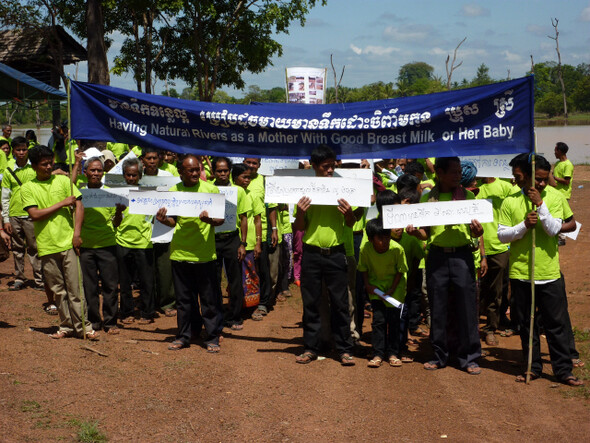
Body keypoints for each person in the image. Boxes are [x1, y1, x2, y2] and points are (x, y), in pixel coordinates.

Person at [498, 153, 583, 386]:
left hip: (549, 273)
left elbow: (555, 229)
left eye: (545, 180)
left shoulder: (555, 197)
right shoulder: (510, 200)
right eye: (538, 179)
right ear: (526, 176)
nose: (542, 184)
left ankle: (563, 370)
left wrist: (541, 205)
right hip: (521, 273)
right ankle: (531, 367)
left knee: (556, 325)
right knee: (527, 325)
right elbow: (502, 234)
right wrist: (523, 226)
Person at [408, 156, 483, 375]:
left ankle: (469, 357)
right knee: (437, 307)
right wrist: (415, 233)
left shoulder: (468, 197)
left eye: (460, 172)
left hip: (462, 257)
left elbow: (477, 232)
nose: (458, 176)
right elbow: (425, 233)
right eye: (454, 172)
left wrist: (478, 232)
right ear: (439, 173)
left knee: (467, 308)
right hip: (437, 258)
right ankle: (439, 355)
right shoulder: (427, 199)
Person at [21, 145, 98, 340]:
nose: (48, 167)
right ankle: (66, 326)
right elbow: (35, 214)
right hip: (46, 245)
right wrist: (61, 204)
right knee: (58, 290)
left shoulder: (64, 181)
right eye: (44, 164)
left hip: (68, 243)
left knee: (76, 288)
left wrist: (77, 234)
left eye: (50, 163)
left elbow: (79, 206)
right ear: (34, 166)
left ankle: (84, 328)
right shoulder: (28, 188)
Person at [293, 145, 356, 366]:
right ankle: (311, 347)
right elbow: (299, 227)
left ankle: (344, 349)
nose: (330, 170)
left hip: (336, 253)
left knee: (340, 303)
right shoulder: (305, 190)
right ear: (315, 167)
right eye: (326, 166)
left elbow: (351, 223)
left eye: (333, 165)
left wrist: (349, 214)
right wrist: (300, 212)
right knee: (311, 302)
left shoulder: (343, 187)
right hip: (311, 254)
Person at [156, 155, 224, 352]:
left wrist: (210, 220)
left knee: (209, 300)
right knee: (184, 301)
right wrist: (162, 220)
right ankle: (184, 336)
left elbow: (219, 220)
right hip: (180, 253)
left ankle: (212, 337)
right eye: (190, 170)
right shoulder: (174, 191)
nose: (195, 173)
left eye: (198, 169)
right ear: (180, 172)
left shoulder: (210, 190)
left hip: (204, 254)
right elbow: (173, 221)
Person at [78, 157, 120, 335]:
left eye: (99, 171)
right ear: (85, 172)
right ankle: (94, 321)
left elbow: (116, 223)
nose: (96, 174)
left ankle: (110, 323)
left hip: (107, 245)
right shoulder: (79, 193)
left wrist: (119, 211)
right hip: (86, 246)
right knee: (90, 287)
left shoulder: (109, 193)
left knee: (110, 286)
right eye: (92, 170)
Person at [358, 218, 408, 368]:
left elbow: (401, 271)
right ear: (371, 239)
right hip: (377, 289)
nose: (385, 241)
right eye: (380, 238)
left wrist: (392, 289)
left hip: (395, 288)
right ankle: (378, 353)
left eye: (387, 236)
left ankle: (393, 353)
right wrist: (367, 286)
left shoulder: (397, 249)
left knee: (394, 322)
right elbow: (364, 268)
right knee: (378, 321)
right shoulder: (365, 249)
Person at [114, 157, 156, 325]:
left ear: (140, 174)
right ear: (124, 175)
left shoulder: (149, 193)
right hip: (122, 242)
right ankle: (126, 312)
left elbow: (155, 218)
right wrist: (118, 211)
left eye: (134, 175)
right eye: (128, 175)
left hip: (144, 242)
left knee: (147, 282)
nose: (131, 178)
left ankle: (147, 313)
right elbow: (115, 223)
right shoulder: (117, 193)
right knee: (124, 283)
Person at [1, 136, 44, 291]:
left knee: (35, 248)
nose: (21, 152)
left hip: (31, 214)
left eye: (24, 149)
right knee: (17, 249)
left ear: (28, 150)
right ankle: (20, 278)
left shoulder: (34, 168)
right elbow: (5, 196)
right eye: (18, 150)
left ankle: (39, 279)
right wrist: (6, 219)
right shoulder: (8, 170)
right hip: (14, 214)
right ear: (13, 151)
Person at [476, 175, 514, 346]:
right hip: (477, 247)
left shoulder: (506, 187)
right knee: (478, 290)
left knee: (497, 290)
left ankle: (491, 328)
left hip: (500, 247)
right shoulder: (473, 190)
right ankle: (473, 327)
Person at [212, 157, 249, 330]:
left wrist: (242, 243)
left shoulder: (238, 191)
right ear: (213, 172)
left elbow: (243, 218)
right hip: (212, 239)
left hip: (232, 239)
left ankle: (235, 316)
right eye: (219, 171)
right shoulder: (208, 189)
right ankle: (216, 315)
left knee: (234, 279)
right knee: (213, 280)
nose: (223, 174)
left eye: (226, 170)